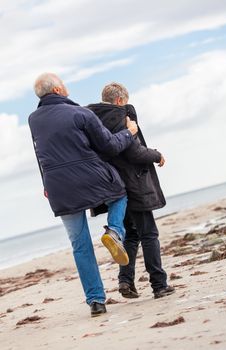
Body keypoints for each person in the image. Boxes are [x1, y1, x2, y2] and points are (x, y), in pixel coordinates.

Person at [28, 73, 138, 317]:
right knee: (119, 194)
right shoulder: (81, 113)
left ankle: (96, 301)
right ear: (57, 90)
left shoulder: (33, 119)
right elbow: (109, 145)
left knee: (80, 245)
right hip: (91, 178)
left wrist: (46, 183)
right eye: (63, 84)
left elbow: (41, 153)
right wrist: (129, 133)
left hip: (58, 187)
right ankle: (115, 232)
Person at [87, 82, 175, 299]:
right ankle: (159, 285)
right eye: (124, 102)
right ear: (119, 101)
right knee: (149, 233)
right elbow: (134, 153)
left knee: (131, 234)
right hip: (134, 183)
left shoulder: (92, 119)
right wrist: (156, 154)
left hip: (113, 187)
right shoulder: (122, 116)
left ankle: (126, 282)